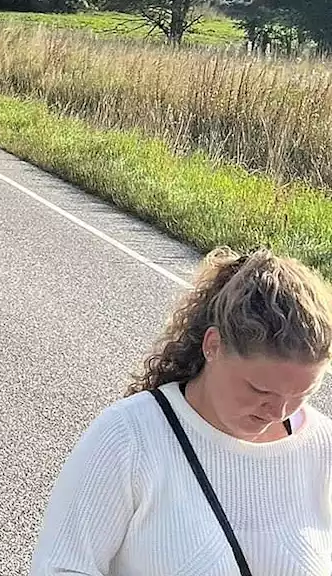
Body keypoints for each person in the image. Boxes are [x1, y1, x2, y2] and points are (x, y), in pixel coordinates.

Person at [30, 247, 332, 576]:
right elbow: (60, 567)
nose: (279, 411)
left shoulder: (323, 448)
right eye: (259, 390)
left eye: (302, 393)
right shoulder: (128, 438)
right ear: (213, 345)